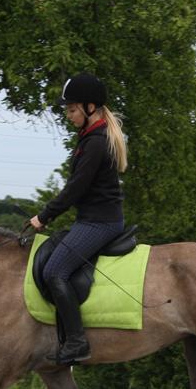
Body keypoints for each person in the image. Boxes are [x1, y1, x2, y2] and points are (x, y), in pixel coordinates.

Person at [29, 72, 129, 366]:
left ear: (90, 108)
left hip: (101, 223)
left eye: (72, 109)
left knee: (54, 271)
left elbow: (76, 188)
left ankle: (77, 342)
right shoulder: (90, 138)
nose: (68, 115)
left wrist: (44, 216)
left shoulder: (96, 142)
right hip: (92, 220)